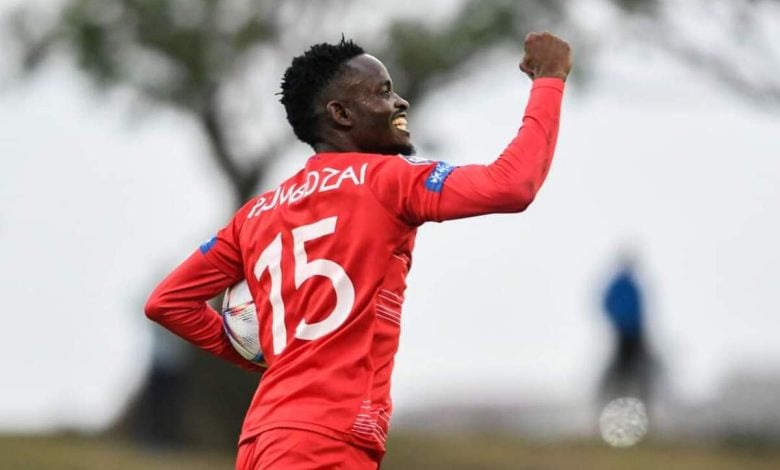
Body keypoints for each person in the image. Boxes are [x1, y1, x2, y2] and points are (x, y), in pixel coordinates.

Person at [145, 32, 572, 469]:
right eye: (383, 92)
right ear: (341, 114)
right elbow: (512, 185)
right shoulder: (389, 181)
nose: (400, 102)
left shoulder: (256, 214)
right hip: (321, 445)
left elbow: (168, 302)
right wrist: (550, 79)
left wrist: (268, 358)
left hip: (263, 440)